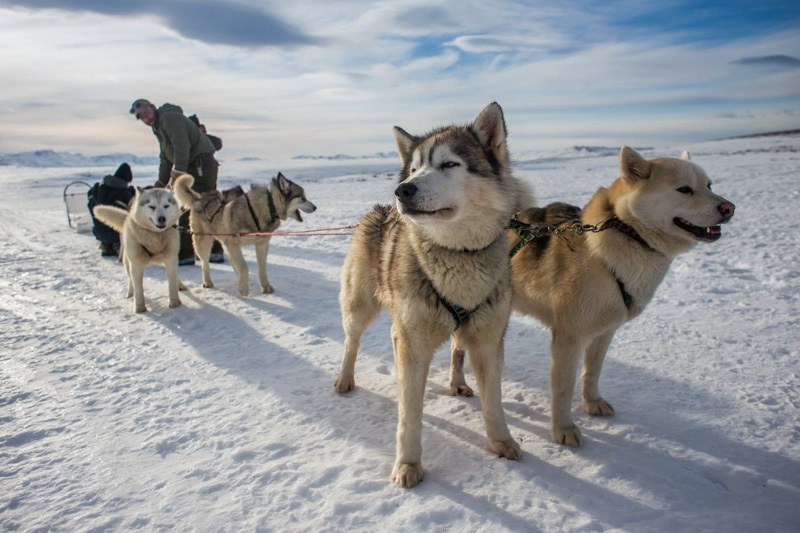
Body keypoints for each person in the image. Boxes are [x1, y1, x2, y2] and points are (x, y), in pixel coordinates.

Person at [129, 98, 224, 265]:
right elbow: (166, 157)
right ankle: (212, 251)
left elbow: (181, 146)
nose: (145, 117)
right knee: (202, 208)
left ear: (152, 107)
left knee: (194, 207)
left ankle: (187, 253)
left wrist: (177, 172)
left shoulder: (169, 118)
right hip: (193, 167)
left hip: (200, 165)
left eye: (146, 112)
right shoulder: (158, 127)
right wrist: (161, 181)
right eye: (141, 117)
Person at [87, 162, 136, 257]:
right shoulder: (125, 194)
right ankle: (118, 245)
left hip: (98, 232)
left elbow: (89, 198)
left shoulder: (97, 189)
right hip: (116, 233)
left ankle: (106, 246)